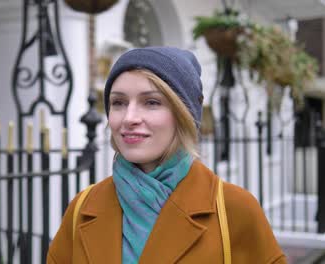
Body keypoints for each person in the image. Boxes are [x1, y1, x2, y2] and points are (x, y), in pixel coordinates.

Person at [47, 47, 286, 263]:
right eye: (118, 102)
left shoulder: (235, 210)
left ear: (184, 115)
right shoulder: (82, 208)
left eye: (151, 102)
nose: (129, 117)